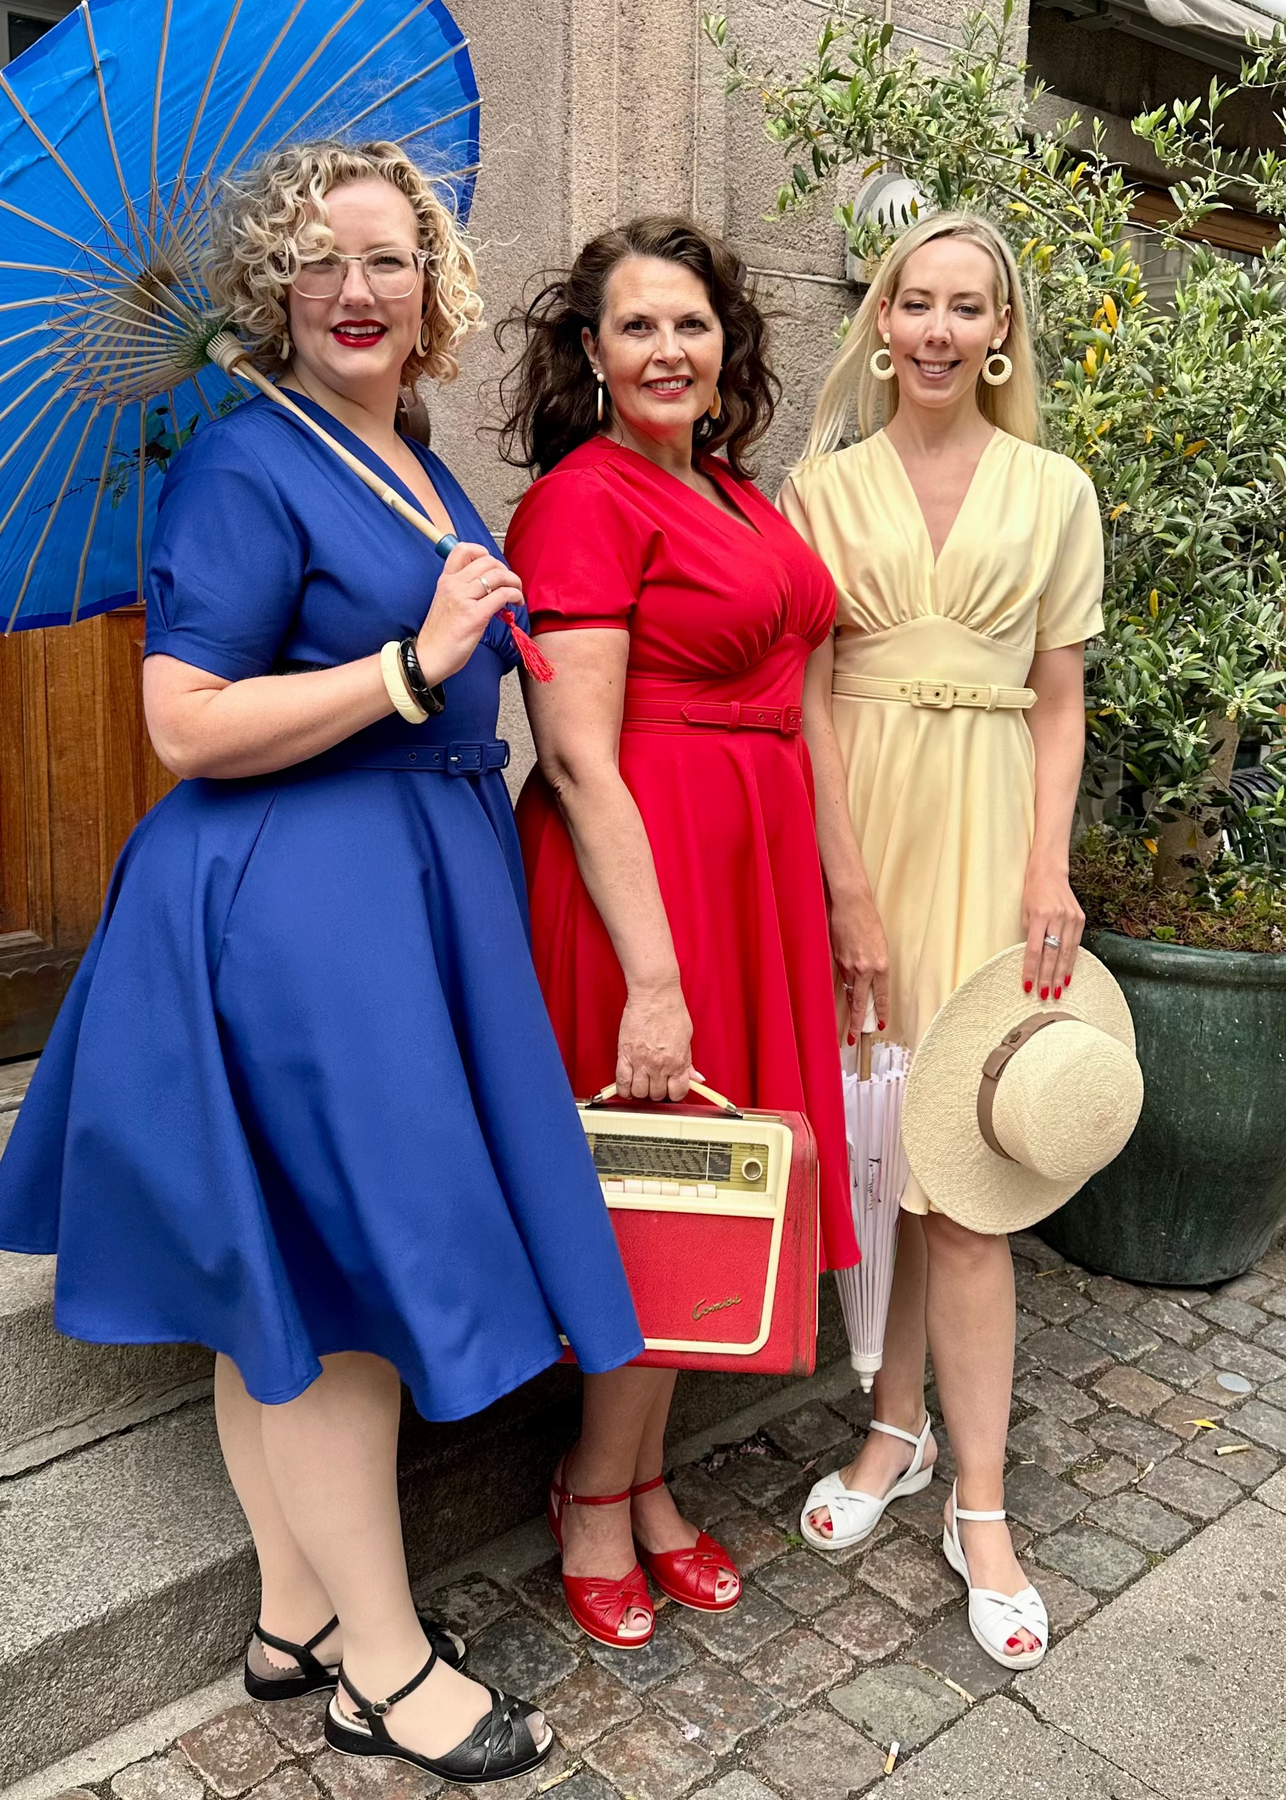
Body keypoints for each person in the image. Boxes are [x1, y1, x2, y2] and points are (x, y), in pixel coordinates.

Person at [0, 140, 645, 1780]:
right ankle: (384, 1667)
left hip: (402, 896)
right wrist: (412, 667)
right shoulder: (241, 462)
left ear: (433, 288)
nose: (355, 290)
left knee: (281, 1283)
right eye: (317, 261)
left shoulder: (402, 454)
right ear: (271, 292)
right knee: (343, 1294)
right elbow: (184, 720)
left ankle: (293, 1616)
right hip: (299, 915)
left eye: (387, 260)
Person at [495, 215, 861, 1651]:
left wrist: (836, 891)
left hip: (745, 870)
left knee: (705, 1185)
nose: (666, 349)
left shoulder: (730, 488)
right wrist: (652, 980)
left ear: (726, 346)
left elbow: (797, 688)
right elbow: (577, 756)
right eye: (635, 326)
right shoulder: (581, 500)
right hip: (644, 881)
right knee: (652, 1187)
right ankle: (593, 1493)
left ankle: (642, 1478)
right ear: (590, 353)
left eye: (689, 324)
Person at [778, 212, 1104, 1670]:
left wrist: (1049, 866)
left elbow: (1059, 697)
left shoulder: (1054, 490)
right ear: (882, 318)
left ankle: (981, 1503)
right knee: (883, 1160)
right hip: (863, 839)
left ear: (1000, 332)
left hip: (989, 839)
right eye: (914, 301)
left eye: (966, 307)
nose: (936, 329)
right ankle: (891, 1426)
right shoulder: (820, 487)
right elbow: (804, 696)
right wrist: (842, 885)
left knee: (966, 1190)